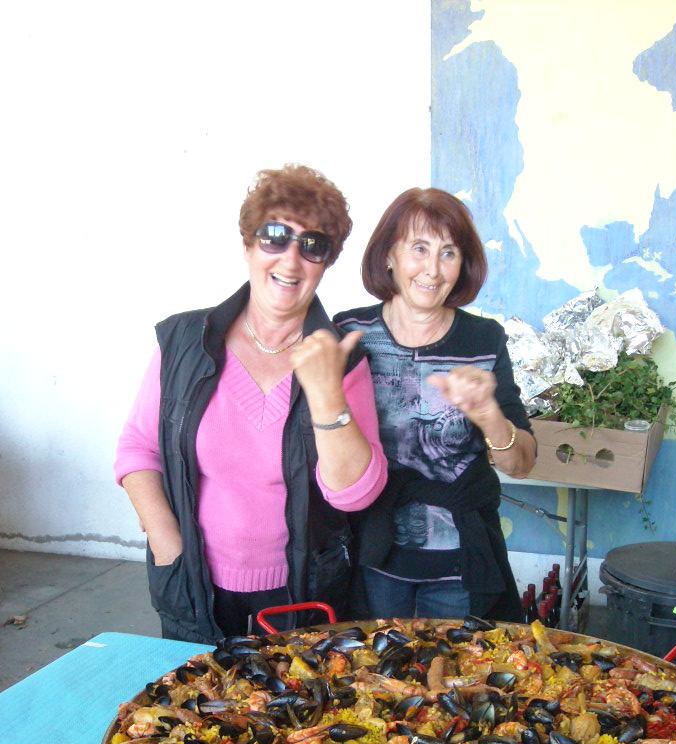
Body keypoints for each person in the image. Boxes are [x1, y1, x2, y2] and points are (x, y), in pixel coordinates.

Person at [115, 165, 387, 643]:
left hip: (302, 595)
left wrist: (326, 394)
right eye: (275, 237)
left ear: (326, 263)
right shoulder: (184, 340)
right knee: (194, 692)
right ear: (248, 245)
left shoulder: (342, 358)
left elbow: (355, 494)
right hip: (193, 583)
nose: (291, 260)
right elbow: (138, 447)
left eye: (313, 245)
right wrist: (165, 541)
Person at [334, 187, 536, 621]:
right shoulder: (350, 332)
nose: (433, 269)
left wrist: (489, 416)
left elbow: (522, 464)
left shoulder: (483, 340)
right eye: (419, 248)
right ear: (389, 256)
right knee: (374, 662)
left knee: (462, 663)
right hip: (372, 555)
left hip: (460, 566)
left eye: (448, 253)